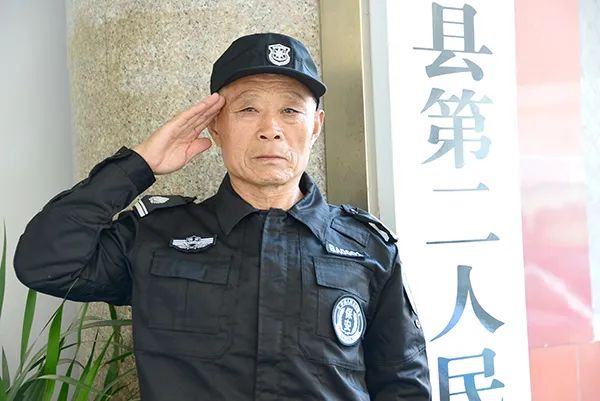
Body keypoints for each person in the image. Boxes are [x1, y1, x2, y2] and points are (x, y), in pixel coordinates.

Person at [14, 32, 431, 400]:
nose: (271, 128)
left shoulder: (367, 248)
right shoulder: (157, 235)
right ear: (216, 126)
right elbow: (44, 261)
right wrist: (139, 165)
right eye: (248, 109)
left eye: (290, 110)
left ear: (316, 125)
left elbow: (402, 384)